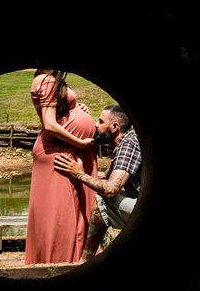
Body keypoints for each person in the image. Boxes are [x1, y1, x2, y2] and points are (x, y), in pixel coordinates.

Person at [25, 69, 96, 265]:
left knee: (75, 212)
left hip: (66, 149)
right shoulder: (47, 79)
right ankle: (55, 266)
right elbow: (49, 124)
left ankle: (74, 262)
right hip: (56, 152)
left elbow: (57, 112)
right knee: (59, 216)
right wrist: (80, 143)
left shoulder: (53, 78)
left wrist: (76, 108)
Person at [54, 104, 141, 261]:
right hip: (139, 204)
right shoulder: (126, 143)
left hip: (143, 210)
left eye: (100, 122)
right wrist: (76, 171)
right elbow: (104, 177)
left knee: (102, 198)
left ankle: (86, 261)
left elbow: (110, 189)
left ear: (114, 127)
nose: (95, 124)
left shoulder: (128, 144)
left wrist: (79, 174)